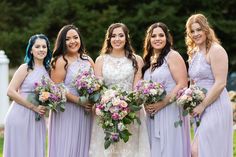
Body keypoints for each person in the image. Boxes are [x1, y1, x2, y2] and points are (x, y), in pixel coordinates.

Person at [89, 23, 150, 157]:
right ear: (108, 39)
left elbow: (137, 88)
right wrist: (106, 107)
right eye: (113, 36)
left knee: (129, 150)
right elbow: (97, 89)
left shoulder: (136, 60)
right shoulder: (100, 60)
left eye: (121, 35)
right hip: (105, 114)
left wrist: (127, 107)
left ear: (126, 38)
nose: (117, 39)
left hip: (130, 113)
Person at [185, 13, 233, 157]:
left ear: (206, 29)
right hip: (200, 108)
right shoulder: (193, 53)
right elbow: (193, 81)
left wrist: (203, 105)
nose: (196, 34)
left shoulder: (216, 50)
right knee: (205, 150)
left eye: (199, 29)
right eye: (192, 31)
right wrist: (189, 100)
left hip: (215, 105)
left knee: (197, 150)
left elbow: (220, 83)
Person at [142, 22, 191, 157]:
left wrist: (161, 103)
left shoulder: (172, 56)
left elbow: (182, 84)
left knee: (169, 147)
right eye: (154, 36)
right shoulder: (149, 60)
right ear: (149, 39)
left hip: (170, 109)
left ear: (167, 38)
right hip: (152, 114)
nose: (157, 38)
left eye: (161, 35)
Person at [48, 24, 94, 157]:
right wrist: (79, 101)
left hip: (86, 111)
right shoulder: (60, 61)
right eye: (68, 39)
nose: (73, 41)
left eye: (75, 37)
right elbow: (57, 88)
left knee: (84, 148)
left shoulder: (87, 59)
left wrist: (90, 101)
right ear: (63, 41)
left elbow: (98, 84)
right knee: (67, 147)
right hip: (67, 111)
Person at [3, 34, 52, 157]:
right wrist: (33, 107)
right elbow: (10, 91)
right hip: (19, 116)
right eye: (37, 46)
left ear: (47, 49)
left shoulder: (49, 70)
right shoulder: (25, 68)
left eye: (44, 46)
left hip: (37, 118)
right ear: (31, 50)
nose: (41, 49)